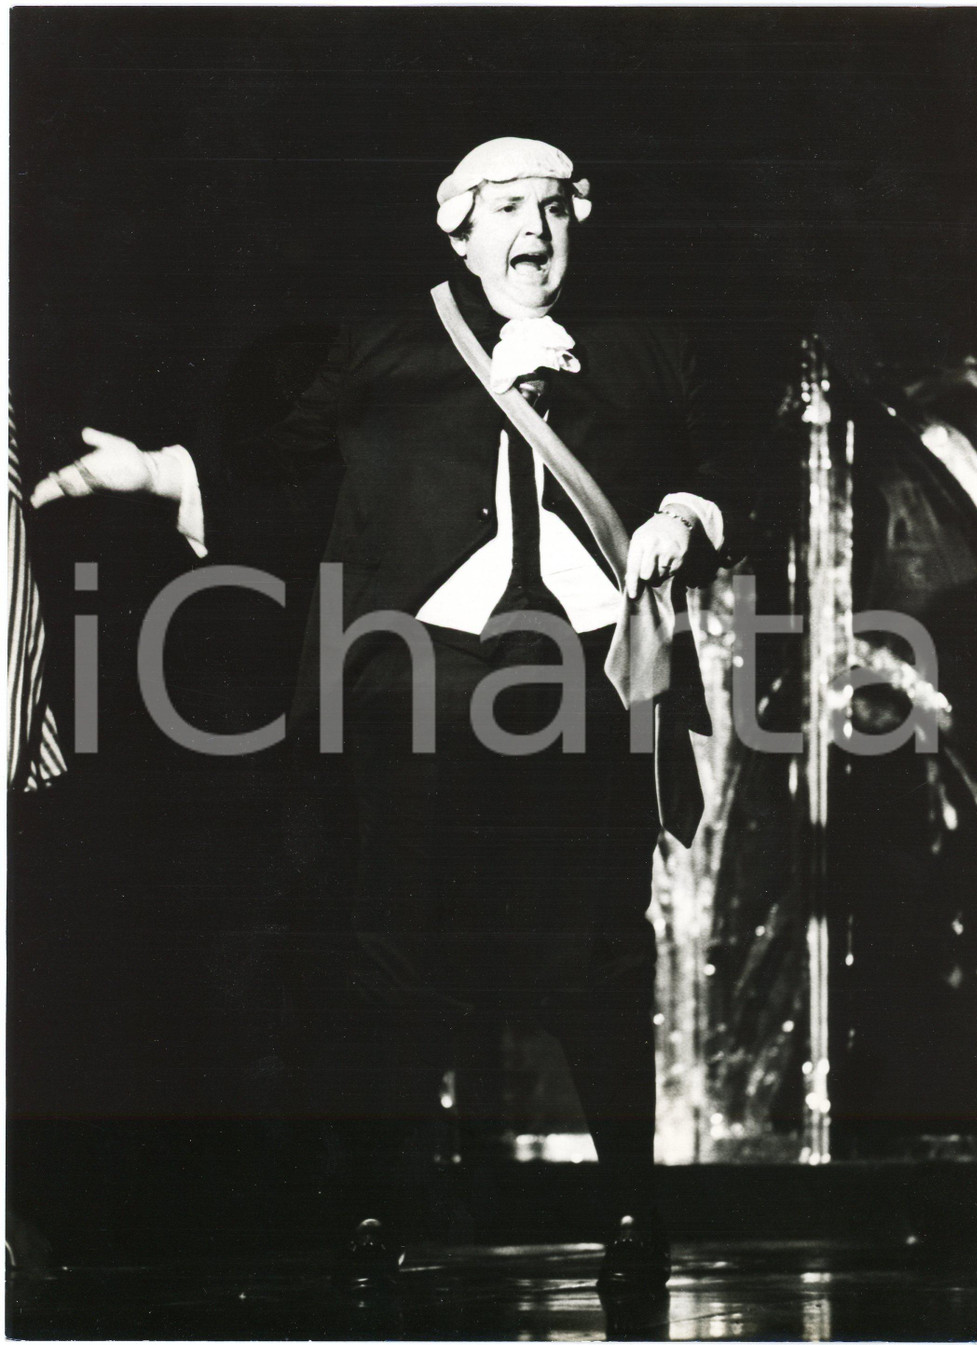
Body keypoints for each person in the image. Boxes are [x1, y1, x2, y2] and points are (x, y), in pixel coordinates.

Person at [31, 137, 745, 1294]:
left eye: (553, 206)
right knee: (396, 960)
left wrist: (685, 508)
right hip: (419, 683)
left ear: (580, 219)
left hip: (586, 683)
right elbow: (283, 473)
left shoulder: (646, 351)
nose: (534, 227)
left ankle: (632, 1211)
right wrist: (162, 475)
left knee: (598, 957)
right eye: (505, 207)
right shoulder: (386, 349)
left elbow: (727, 469)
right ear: (457, 232)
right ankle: (375, 1215)